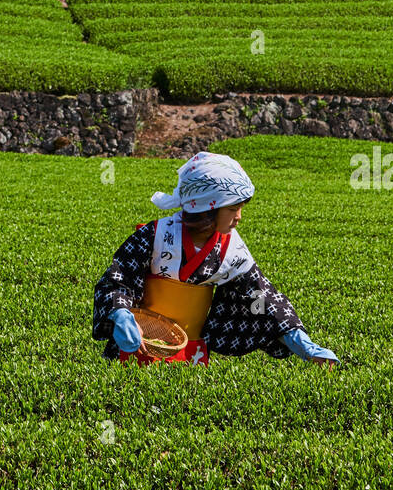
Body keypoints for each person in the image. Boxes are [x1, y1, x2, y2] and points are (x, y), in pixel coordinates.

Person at [93, 151, 339, 369]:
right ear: (206, 208)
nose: (239, 217)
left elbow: (260, 298)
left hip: (193, 350)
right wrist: (121, 313)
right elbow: (118, 278)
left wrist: (299, 339)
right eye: (232, 209)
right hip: (140, 341)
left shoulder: (233, 250)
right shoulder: (156, 235)